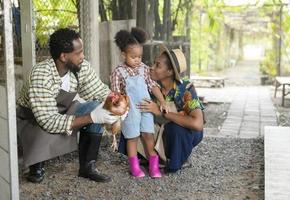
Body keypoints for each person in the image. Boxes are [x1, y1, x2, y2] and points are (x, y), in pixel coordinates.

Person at [17, 28, 121, 183]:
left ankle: (88, 167)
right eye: (78, 53)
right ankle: (36, 163)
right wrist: (91, 117)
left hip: (63, 110)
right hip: (34, 118)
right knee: (43, 127)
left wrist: (119, 103)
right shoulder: (41, 75)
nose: (83, 56)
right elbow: (48, 121)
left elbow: (100, 90)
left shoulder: (80, 67)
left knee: (96, 106)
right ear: (63, 56)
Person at [110, 27, 168, 178]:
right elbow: (116, 94)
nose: (137, 60)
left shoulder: (144, 69)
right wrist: (117, 110)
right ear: (123, 54)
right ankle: (135, 167)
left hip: (146, 107)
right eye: (133, 56)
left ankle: (153, 166)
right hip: (131, 111)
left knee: (148, 135)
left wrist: (162, 100)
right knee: (132, 137)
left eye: (140, 56)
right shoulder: (118, 72)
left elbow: (153, 86)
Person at [137, 45, 205, 172]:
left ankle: (176, 160)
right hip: (161, 132)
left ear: (170, 72)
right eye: (153, 63)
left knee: (175, 129)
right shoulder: (150, 86)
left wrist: (161, 112)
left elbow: (197, 124)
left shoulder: (185, 88)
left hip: (184, 133)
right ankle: (153, 157)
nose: (151, 67)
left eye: (158, 65)